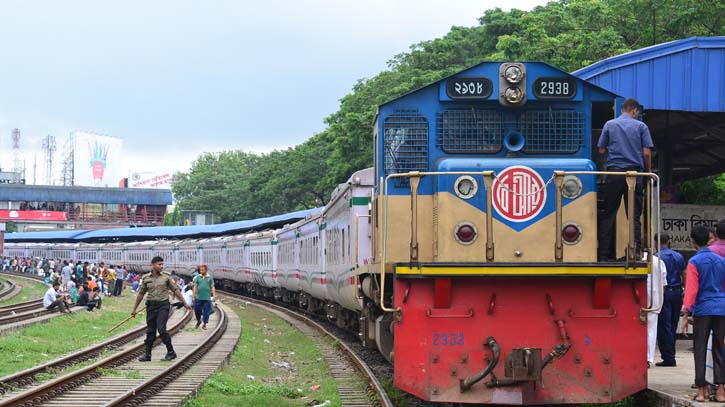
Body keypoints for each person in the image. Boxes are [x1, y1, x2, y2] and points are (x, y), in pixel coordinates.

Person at [597, 98, 654, 261]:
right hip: (635, 175)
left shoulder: (609, 124)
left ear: (623, 109)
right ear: (635, 110)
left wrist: (613, 150)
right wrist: (648, 172)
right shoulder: (641, 126)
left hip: (614, 173)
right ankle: (635, 252)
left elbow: (601, 149)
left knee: (609, 213)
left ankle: (603, 254)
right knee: (634, 215)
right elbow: (646, 153)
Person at [681, 225, 725, 403]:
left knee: (699, 349)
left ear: (692, 241)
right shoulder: (721, 261)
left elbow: (691, 290)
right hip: (721, 307)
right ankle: (721, 391)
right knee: (719, 348)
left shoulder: (694, 262)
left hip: (703, 309)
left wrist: (685, 312)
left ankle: (702, 391)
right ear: (709, 239)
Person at [131, 256, 191, 362]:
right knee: (150, 331)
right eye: (159, 264)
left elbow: (175, 290)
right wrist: (134, 309)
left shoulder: (166, 277)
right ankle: (147, 355)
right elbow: (141, 293)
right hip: (150, 306)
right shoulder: (146, 278)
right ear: (153, 265)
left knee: (161, 329)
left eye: (162, 264)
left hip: (163, 306)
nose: (161, 266)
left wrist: (184, 303)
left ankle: (171, 352)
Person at [655, 233, 686, 367]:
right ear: (669, 241)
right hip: (677, 292)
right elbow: (684, 273)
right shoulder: (678, 256)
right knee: (673, 325)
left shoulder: (655, 257)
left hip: (664, 293)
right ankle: (670, 353)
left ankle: (668, 357)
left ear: (656, 242)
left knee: (664, 326)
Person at [647, 252, 666, 368]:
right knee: (651, 330)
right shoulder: (658, 261)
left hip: (636, 297)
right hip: (654, 299)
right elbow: (663, 283)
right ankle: (648, 358)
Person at [192, 265, 216, 330]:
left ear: (206, 270)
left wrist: (214, 296)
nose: (201, 271)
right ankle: (198, 320)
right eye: (200, 270)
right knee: (197, 310)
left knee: (206, 312)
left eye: (202, 270)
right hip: (198, 297)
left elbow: (212, 287)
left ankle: (204, 324)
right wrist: (193, 296)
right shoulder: (198, 277)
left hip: (207, 298)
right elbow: (195, 287)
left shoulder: (210, 278)